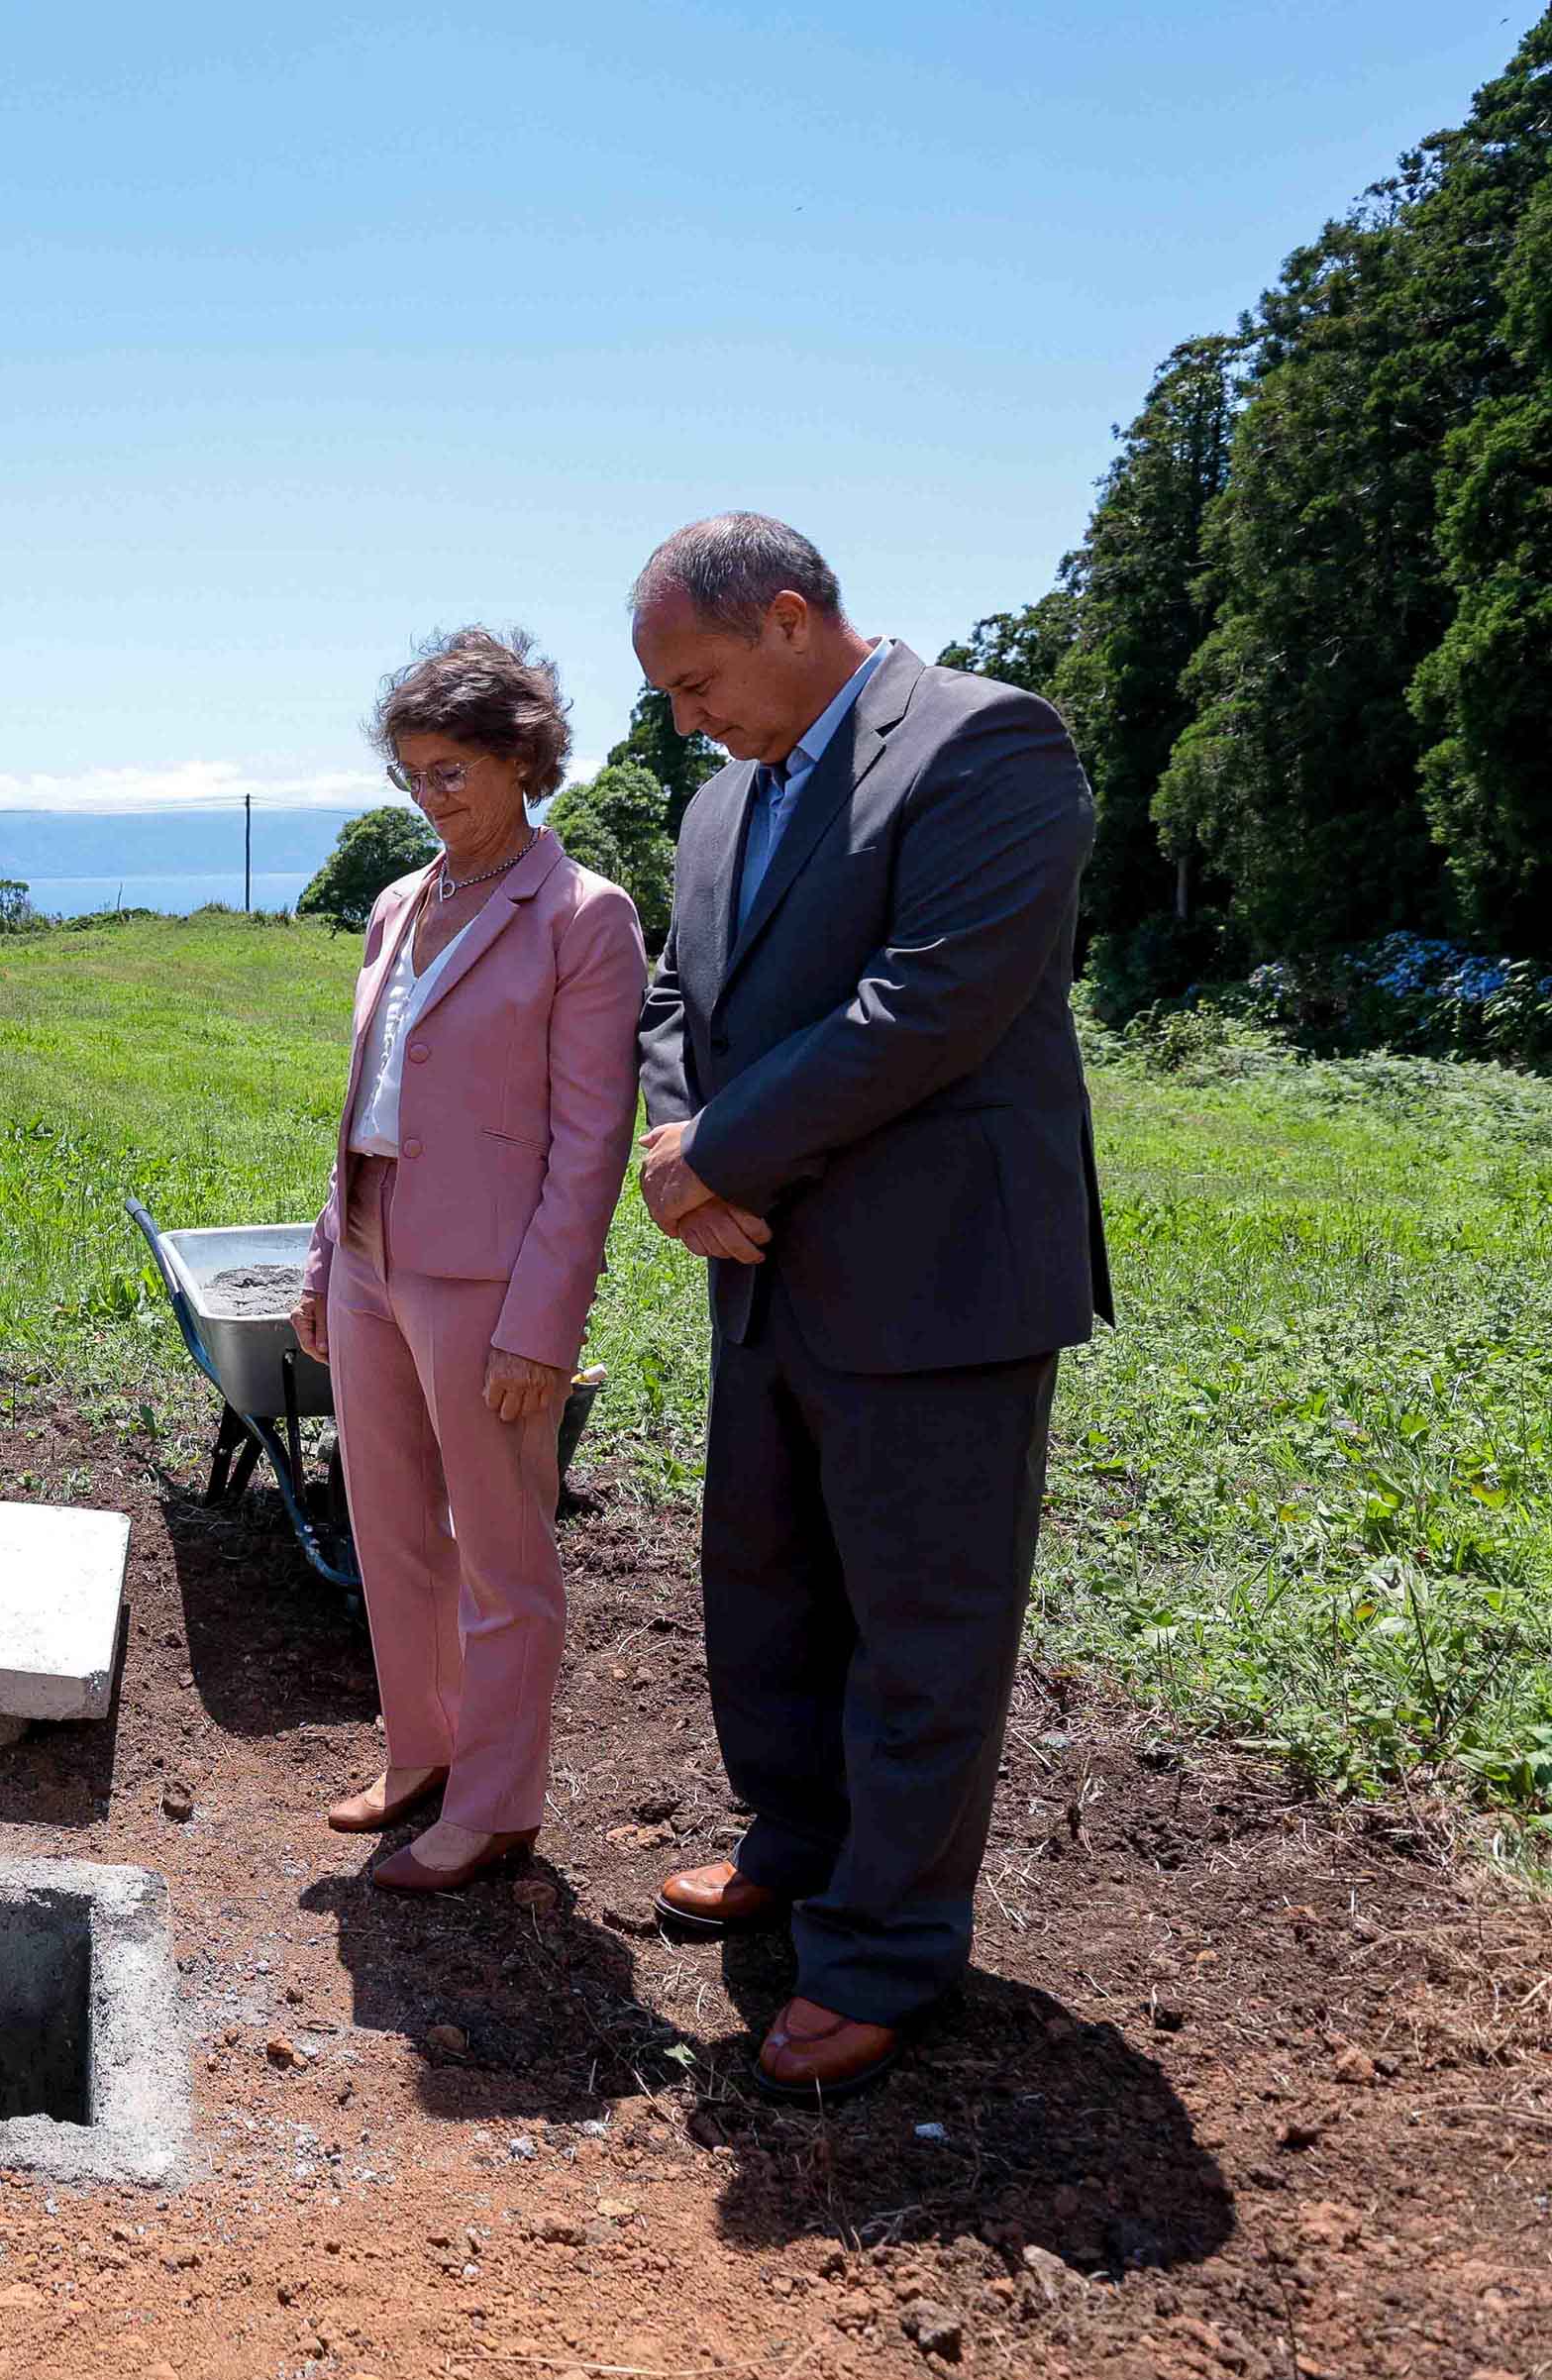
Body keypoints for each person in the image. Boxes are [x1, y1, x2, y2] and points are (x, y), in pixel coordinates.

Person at [628, 513, 1110, 2101]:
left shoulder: (985, 744)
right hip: (763, 1264)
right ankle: (799, 1842)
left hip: (935, 1279)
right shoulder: (716, 806)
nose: (688, 720)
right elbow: (670, 1001)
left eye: (699, 682)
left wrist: (719, 1148)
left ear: (787, 617)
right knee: (767, 1583)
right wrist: (679, 1156)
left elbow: (936, 1002)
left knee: (921, 1624)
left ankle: (886, 1952)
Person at [292, 629, 646, 1894]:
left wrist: (544, 1320)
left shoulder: (582, 915)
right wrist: (330, 1252)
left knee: (501, 1545)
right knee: (388, 1526)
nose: (431, 798)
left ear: (523, 760)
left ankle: (498, 1803)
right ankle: (421, 1751)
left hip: (492, 1274)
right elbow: (369, 1088)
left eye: (452, 771)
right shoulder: (401, 900)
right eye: (412, 775)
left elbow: (592, 1139)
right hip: (378, 1247)